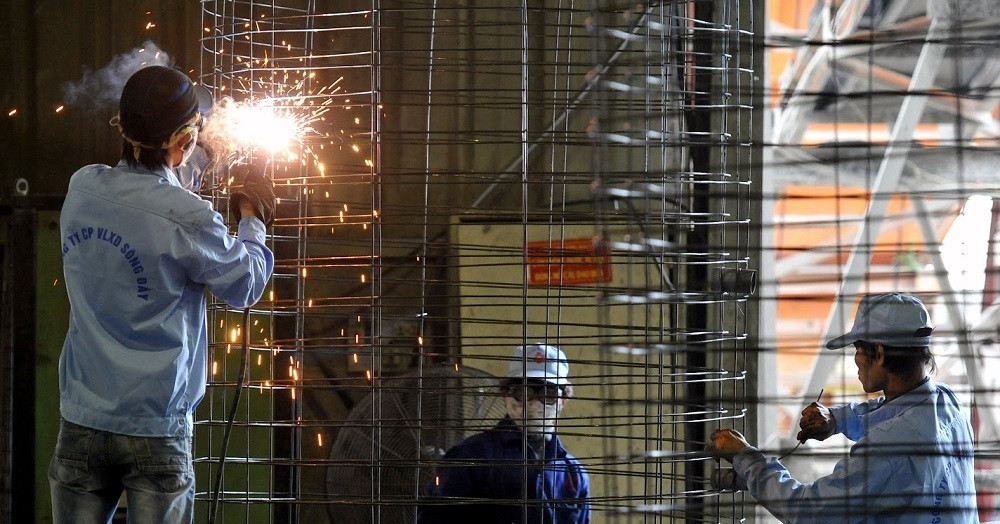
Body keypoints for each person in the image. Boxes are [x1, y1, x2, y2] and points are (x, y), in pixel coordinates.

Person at [48, 65, 276, 524]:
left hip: (82, 421)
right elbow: (246, 283)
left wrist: (199, 151)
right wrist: (253, 218)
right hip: (156, 429)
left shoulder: (82, 188)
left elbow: (149, 200)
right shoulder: (190, 218)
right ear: (182, 141)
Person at [708, 292, 979, 523]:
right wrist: (835, 419)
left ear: (880, 354)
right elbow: (892, 415)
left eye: (858, 349)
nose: (856, 359)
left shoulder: (887, 448)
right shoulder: (947, 403)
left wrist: (745, 457)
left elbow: (807, 512)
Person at [419, 344, 591, 523]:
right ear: (505, 394)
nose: (533, 403)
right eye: (522, 392)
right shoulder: (471, 456)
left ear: (563, 400)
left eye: (548, 394)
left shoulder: (573, 473)